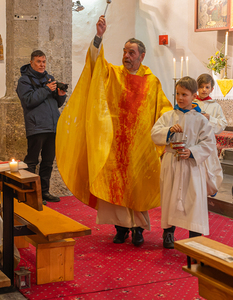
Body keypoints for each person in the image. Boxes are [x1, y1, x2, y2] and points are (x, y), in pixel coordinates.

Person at [55, 15, 172, 246]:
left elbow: (164, 110)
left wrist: (178, 122)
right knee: (116, 187)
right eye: (124, 52)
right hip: (115, 143)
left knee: (137, 188)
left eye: (131, 53)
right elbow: (96, 64)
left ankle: (138, 230)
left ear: (142, 56)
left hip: (141, 146)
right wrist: (99, 36)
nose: (126, 56)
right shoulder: (114, 75)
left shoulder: (152, 82)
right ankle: (121, 228)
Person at [151, 76, 223, 249]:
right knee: (169, 197)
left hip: (192, 166)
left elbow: (209, 143)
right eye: (177, 94)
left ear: (194, 95)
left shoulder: (200, 120)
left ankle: (195, 237)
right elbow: (154, 133)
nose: (180, 98)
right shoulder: (168, 116)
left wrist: (192, 152)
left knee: (194, 199)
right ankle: (168, 233)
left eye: (184, 94)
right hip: (172, 163)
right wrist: (168, 131)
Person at [16, 50, 66, 205]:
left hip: (52, 126)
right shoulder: (24, 81)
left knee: (48, 161)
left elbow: (56, 104)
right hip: (37, 127)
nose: (42, 64)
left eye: (44, 61)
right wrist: (46, 89)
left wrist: (61, 94)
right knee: (31, 161)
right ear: (31, 62)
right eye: (39, 61)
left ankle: (44, 192)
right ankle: (30, 193)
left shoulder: (49, 78)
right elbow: (28, 101)